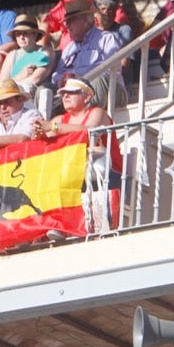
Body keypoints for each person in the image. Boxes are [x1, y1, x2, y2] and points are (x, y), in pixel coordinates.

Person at [40, 78, 123, 233]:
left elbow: (88, 130)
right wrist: (38, 133)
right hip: (74, 172)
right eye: (64, 93)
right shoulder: (60, 119)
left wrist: (53, 127)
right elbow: (45, 142)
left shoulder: (98, 113)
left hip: (103, 173)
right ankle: (58, 225)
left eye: (72, 93)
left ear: (86, 97)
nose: (65, 96)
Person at [51, 0, 124, 106]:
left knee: (99, 80)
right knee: (46, 91)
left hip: (107, 90)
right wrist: (62, 79)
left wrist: (81, 77)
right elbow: (56, 74)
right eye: (66, 22)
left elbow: (113, 70)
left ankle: (91, 119)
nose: (67, 26)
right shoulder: (68, 49)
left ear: (85, 20)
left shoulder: (106, 38)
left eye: (71, 21)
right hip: (75, 92)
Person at [0, 15, 55, 95]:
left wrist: (12, 83)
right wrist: (19, 76)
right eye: (18, 33)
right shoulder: (12, 55)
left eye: (25, 33)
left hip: (35, 96)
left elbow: (35, 79)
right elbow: (2, 85)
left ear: (35, 34)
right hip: (11, 96)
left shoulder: (46, 52)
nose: (21, 37)